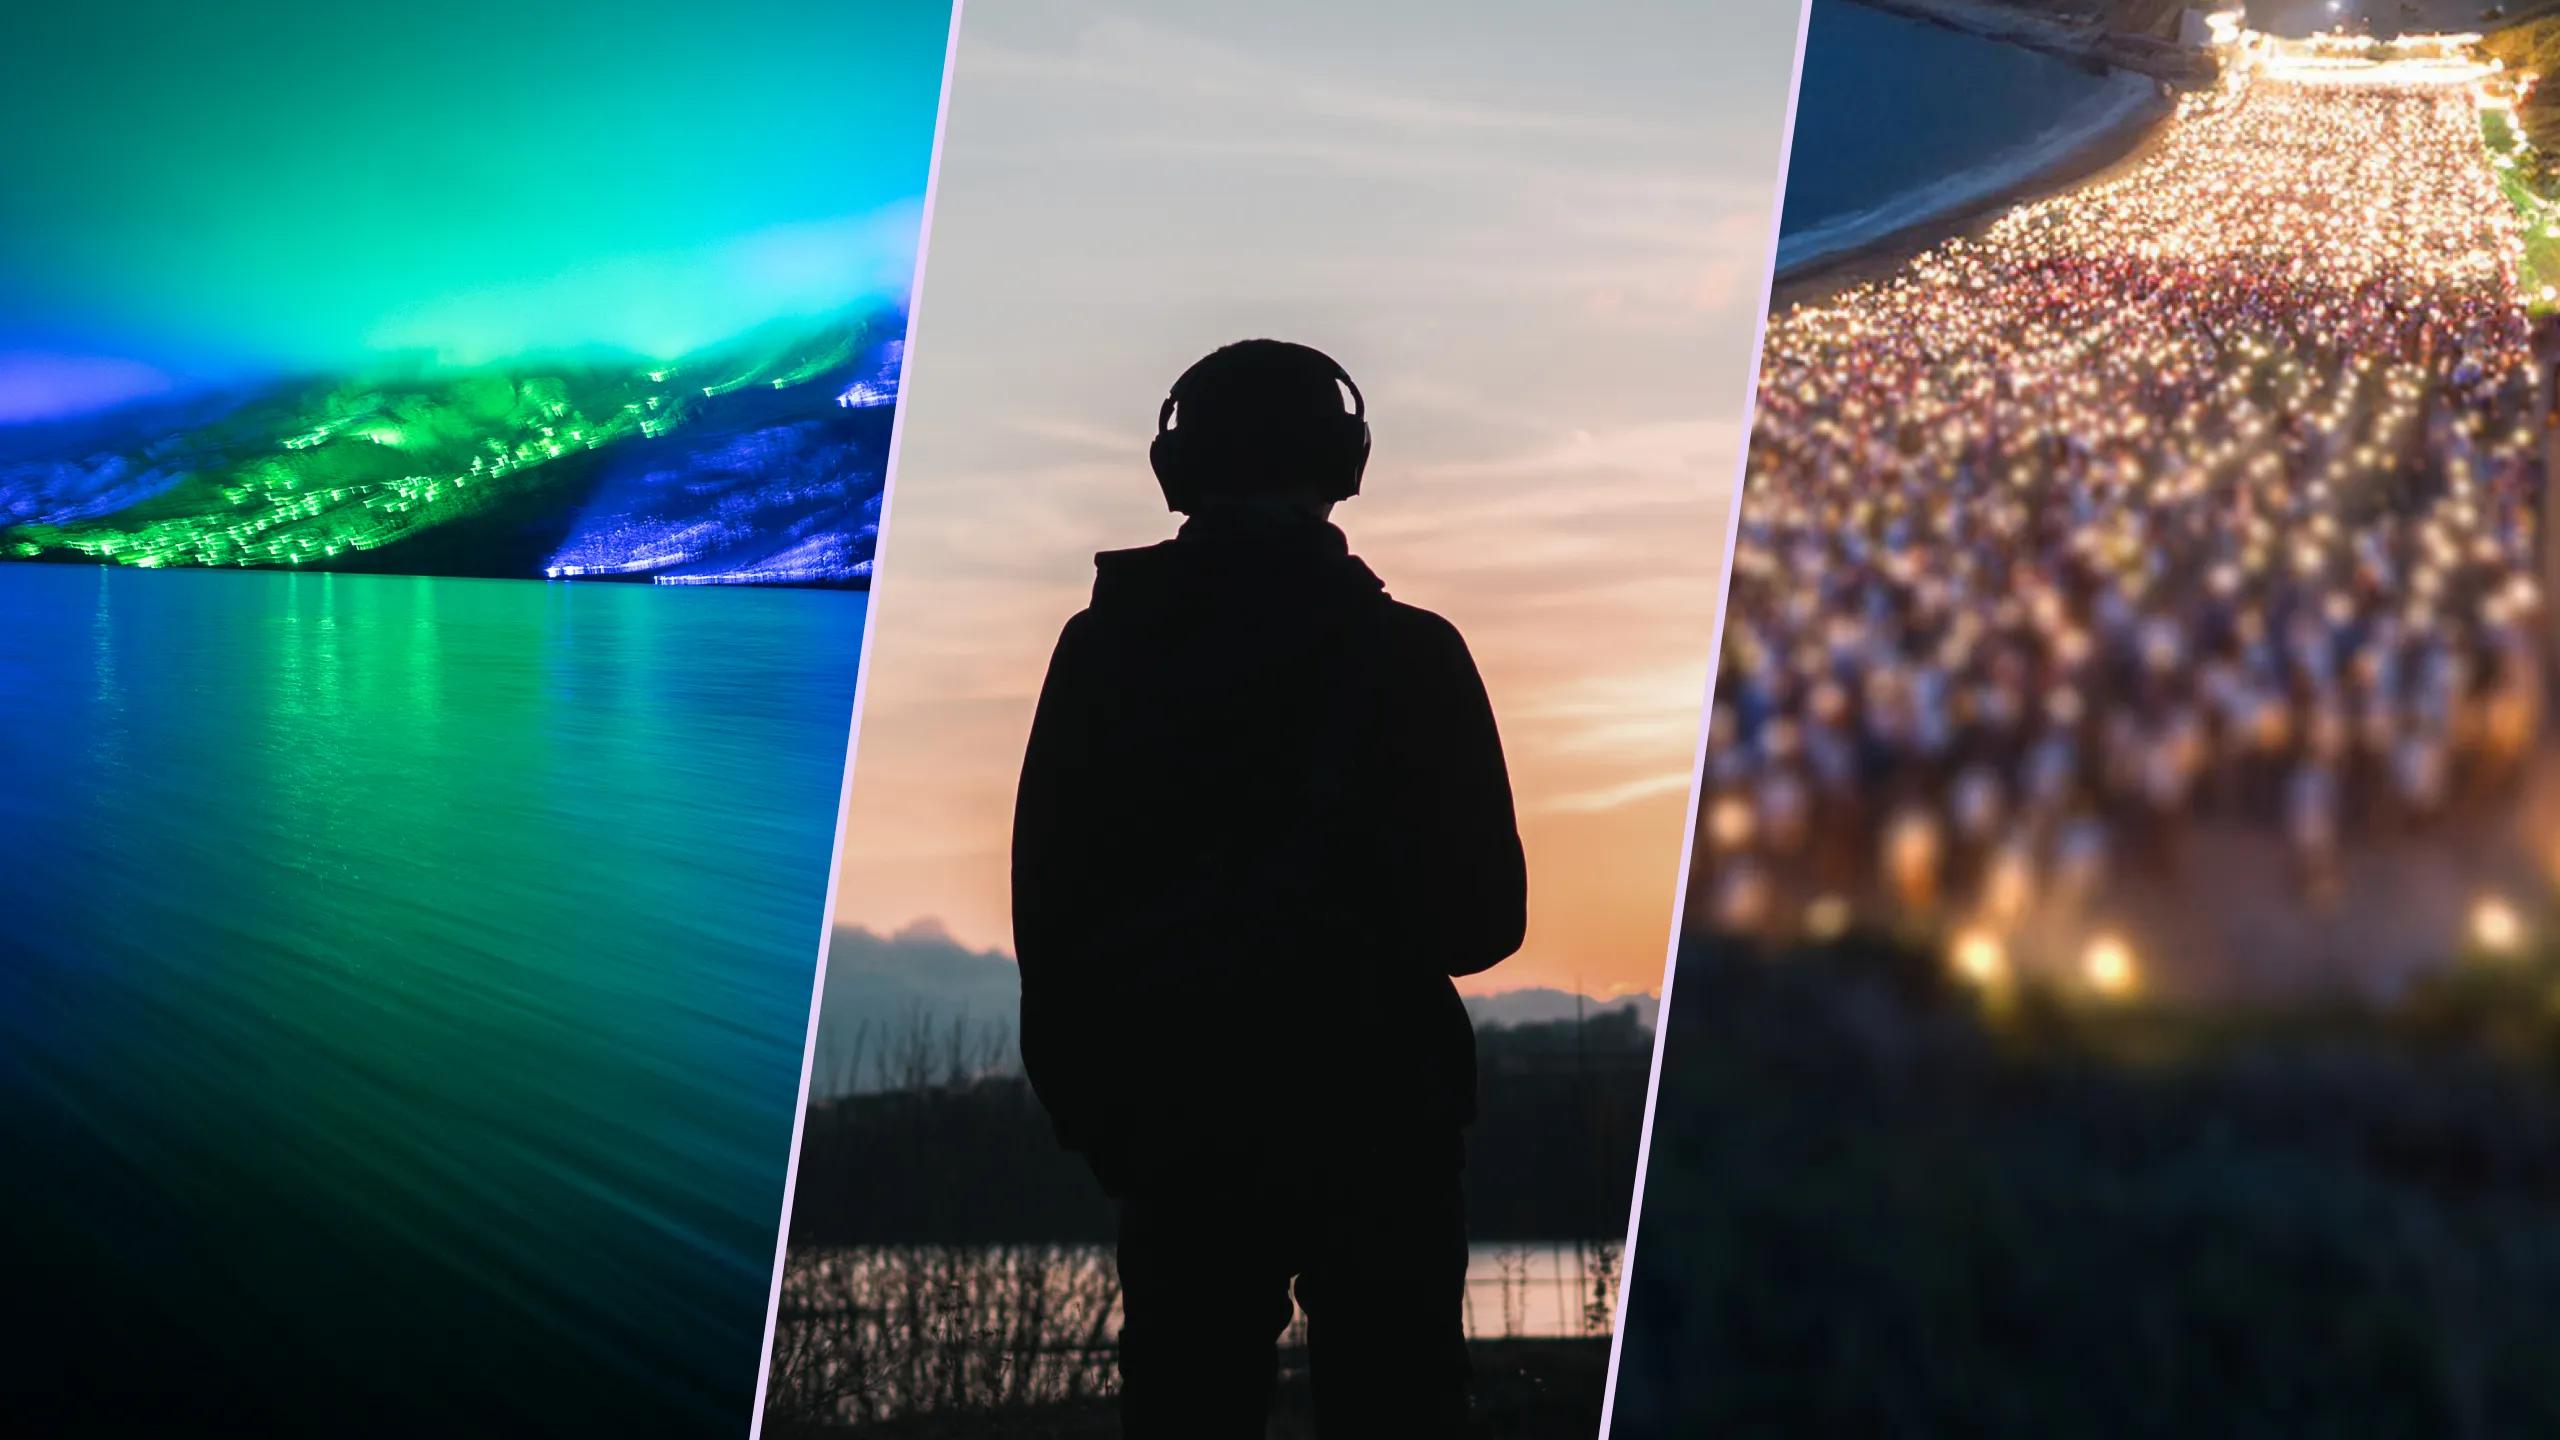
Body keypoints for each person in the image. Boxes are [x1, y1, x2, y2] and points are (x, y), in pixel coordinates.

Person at [1011, 339, 1527, 1437]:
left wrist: (1102, 1115)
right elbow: (1483, 922)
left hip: (1175, 1125)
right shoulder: (1414, 656)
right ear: (1345, 462)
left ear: (1177, 469)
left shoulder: (1100, 657)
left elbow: (1047, 912)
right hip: (1383, 1123)